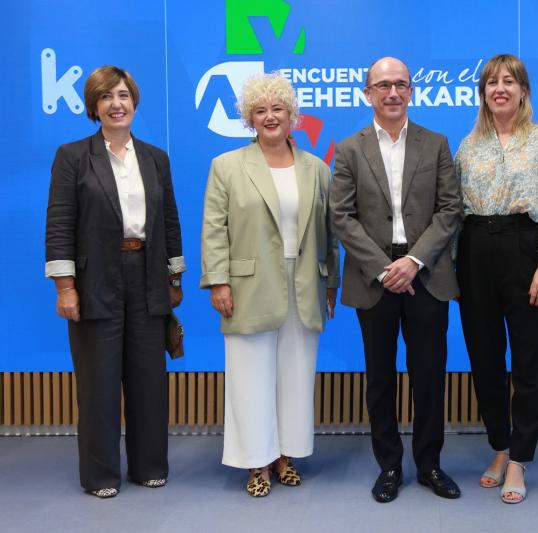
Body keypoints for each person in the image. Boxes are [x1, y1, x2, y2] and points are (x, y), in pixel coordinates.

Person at [45, 66, 185, 498]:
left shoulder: (156, 158)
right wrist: (65, 287)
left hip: (148, 277)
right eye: (106, 97)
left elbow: (170, 222)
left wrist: (174, 276)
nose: (116, 104)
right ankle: (101, 475)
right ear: (94, 107)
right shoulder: (72, 156)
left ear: (134, 102)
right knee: (98, 381)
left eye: (123, 95)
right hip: (95, 281)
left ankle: (148, 466)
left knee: (149, 380)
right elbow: (60, 224)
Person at [330, 57, 462, 503]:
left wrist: (415, 261)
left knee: (429, 376)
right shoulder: (349, 149)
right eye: (382, 85)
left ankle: (430, 465)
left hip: (427, 275)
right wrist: (385, 267)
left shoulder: (437, 143)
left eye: (400, 85)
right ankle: (389, 465)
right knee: (380, 378)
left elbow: (450, 211)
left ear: (411, 92)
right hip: (375, 278)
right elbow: (341, 217)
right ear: (367, 92)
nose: (392, 93)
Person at [200, 72, 339, 498]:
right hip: (247, 286)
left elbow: (329, 231)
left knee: (296, 376)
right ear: (248, 119)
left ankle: (286, 455)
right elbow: (213, 229)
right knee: (250, 376)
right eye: (260, 110)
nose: (270, 116)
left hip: (304, 284)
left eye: (278, 108)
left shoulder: (317, 168)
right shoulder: (226, 166)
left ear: (292, 115)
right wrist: (218, 282)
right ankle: (256, 461)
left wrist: (330, 282)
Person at [454, 54, 538, 504]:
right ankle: (500, 448)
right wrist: (452, 268)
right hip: (474, 250)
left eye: (509, 81)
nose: (499, 88)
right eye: (491, 82)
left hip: (526, 249)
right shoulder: (469, 145)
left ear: (523, 90)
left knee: (528, 362)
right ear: (483, 93)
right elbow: (452, 212)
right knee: (484, 359)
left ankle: (521, 459)